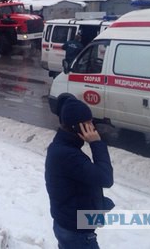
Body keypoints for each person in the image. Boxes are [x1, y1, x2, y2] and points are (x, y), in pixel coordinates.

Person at [45, 98, 114, 249]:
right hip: (76, 232)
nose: (93, 127)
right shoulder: (68, 155)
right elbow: (106, 178)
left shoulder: (61, 147)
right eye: (89, 123)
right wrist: (96, 143)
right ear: (78, 127)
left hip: (67, 223)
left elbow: (77, 184)